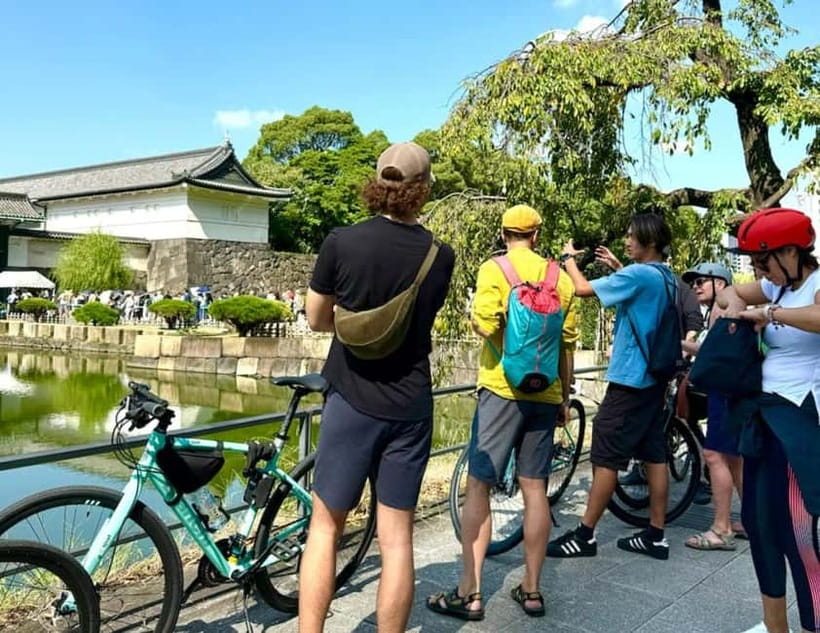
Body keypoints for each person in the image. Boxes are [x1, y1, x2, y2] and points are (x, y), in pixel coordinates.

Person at [302, 142, 454, 633]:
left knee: (325, 528)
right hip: (410, 406)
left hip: (350, 398)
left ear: (378, 182)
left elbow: (316, 318)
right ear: (423, 189)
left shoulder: (341, 242)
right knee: (397, 540)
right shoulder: (440, 256)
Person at [426, 204, 578, 621]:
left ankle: (469, 594)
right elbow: (566, 344)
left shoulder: (494, 269)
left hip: (500, 389)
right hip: (545, 395)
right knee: (535, 490)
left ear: (504, 232)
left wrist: (478, 322)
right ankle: (531, 591)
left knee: (479, 487)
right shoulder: (560, 278)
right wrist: (564, 397)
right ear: (537, 234)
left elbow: (487, 323)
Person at [548, 213, 676, 561]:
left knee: (605, 452)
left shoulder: (638, 275)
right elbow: (636, 298)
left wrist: (568, 261)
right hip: (654, 380)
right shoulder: (666, 277)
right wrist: (620, 266)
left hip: (630, 379)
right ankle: (656, 535)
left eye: (633, 237)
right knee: (653, 453)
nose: (627, 241)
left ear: (649, 241)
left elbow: (582, 289)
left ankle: (585, 535)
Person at [715, 207, 820, 633]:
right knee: (761, 528)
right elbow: (727, 295)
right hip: (763, 421)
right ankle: (776, 627)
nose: (759, 271)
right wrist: (738, 307)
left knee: (801, 534)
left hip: (799, 425)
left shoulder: (814, 285)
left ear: (792, 252)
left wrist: (770, 316)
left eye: (764, 261)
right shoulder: (775, 287)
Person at [680, 263, 745, 550]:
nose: (695, 287)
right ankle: (751, 521)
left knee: (714, 455)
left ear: (720, 281)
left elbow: (714, 351)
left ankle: (721, 528)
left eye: (701, 281)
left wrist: (673, 341)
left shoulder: (724, 304)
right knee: (734, 458)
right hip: (736, 391)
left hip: (726, 390)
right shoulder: (723, 304)